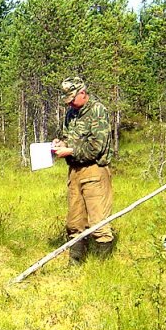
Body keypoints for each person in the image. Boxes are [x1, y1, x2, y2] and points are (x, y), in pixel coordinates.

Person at [51, 77, 114, 264]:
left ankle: (103, 267)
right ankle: (76, 262)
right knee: (75, 221)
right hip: (75, 171)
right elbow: (67, 137)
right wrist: (61, 144)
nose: (70, 103)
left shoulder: (97, 111)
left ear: (83, 93)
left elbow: (97, 147)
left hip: (95, 171)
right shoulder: (71, 113)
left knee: (99, 222)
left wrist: (70, 150)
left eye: (72, 98)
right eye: (67, 100)